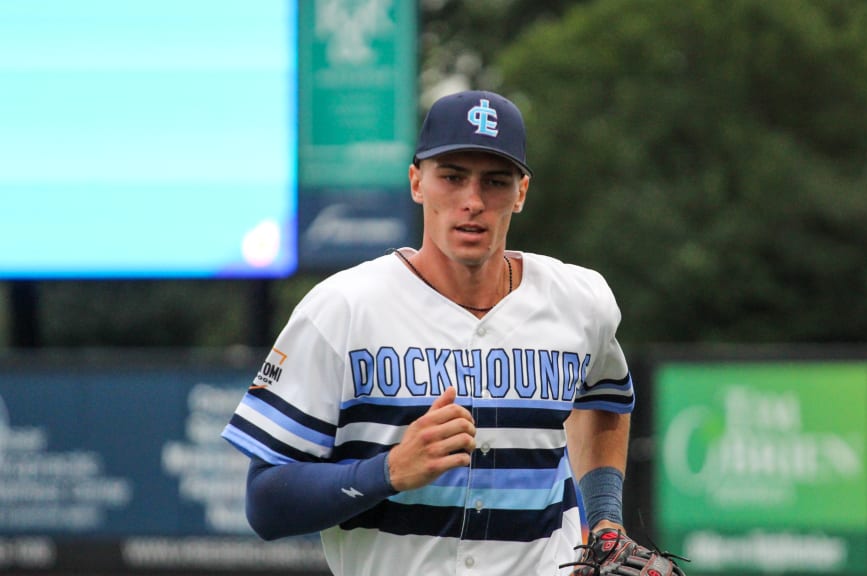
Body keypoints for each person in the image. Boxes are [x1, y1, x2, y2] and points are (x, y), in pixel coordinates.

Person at [222, 90, 635, 575]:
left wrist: (605, 520)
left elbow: (605, 398)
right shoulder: (342, 310)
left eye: (495, 182)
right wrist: (388, 471)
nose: (473, 201)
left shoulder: (580, 301)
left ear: (521, 192)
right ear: (417, 181)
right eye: (452, 177)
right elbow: (264, 504)